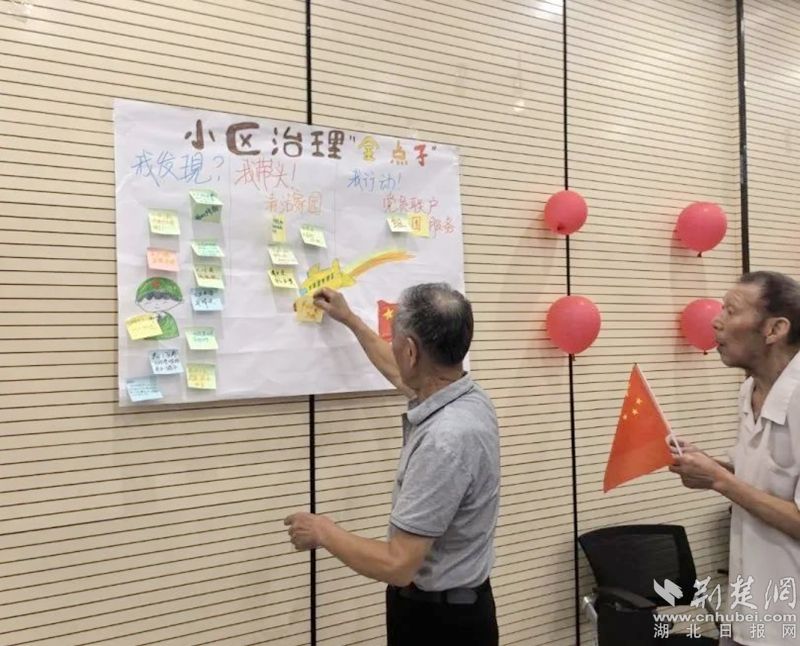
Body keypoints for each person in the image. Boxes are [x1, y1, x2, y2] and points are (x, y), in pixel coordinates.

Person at [284, 283, 500, 646]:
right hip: (455, 609)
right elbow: (400, 372)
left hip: (440, 626)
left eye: (395, 339)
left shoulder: (444, 438)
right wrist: (351, 320)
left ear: (411, 351)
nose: (393, 348)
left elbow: (398, 564)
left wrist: (323, 531)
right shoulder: (467, 397)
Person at [670, 271, 800, 646]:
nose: (716, 321)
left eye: (731, 310)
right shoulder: (749, 390)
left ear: (774, 329)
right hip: (749, 606)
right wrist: (709, 466)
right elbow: (760, 478)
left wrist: (719, 480)